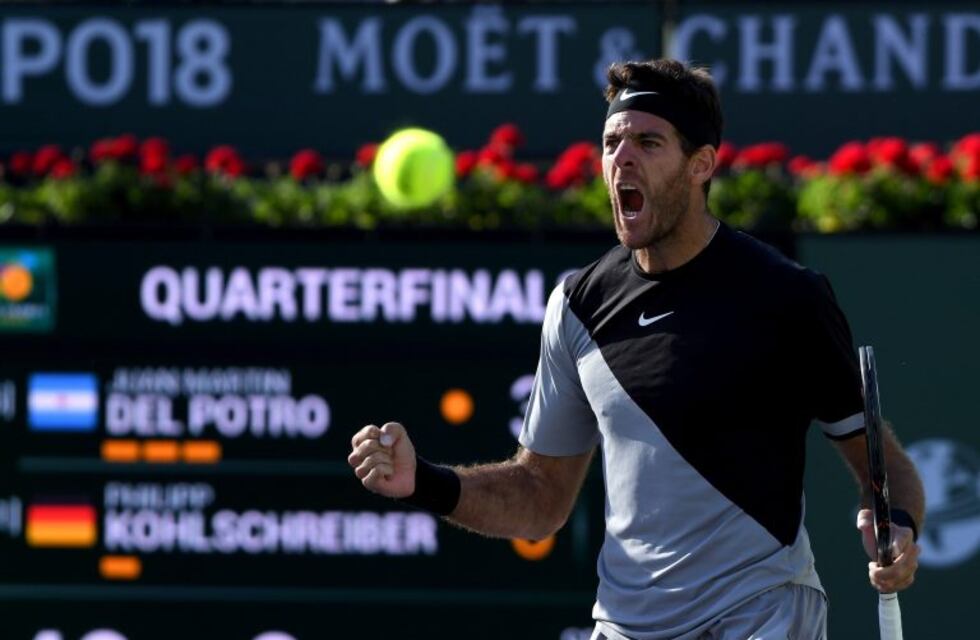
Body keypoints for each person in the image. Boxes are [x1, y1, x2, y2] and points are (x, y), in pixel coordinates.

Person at [348, 58, 925, 640]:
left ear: (701, 165)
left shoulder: (788, 298)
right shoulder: (577, 305)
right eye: (611, 142)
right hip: (626, 625)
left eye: (648, 142)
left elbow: (883, 468)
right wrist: (423, 481)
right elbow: (540, 497)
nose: (621, 158)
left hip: (760, 613)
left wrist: (897, 522)